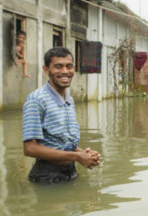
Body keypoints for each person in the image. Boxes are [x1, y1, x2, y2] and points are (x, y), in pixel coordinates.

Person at [22, 47, 101, 183]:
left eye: (69, 66)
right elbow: (30, 148)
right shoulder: (36, 100)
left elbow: (62, 142)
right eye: (58, 67)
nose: (65, 71)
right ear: (46, 69)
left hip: (70, 171)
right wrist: (77, 156)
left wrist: (83, 153)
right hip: (47, 175)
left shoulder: (69, 100)